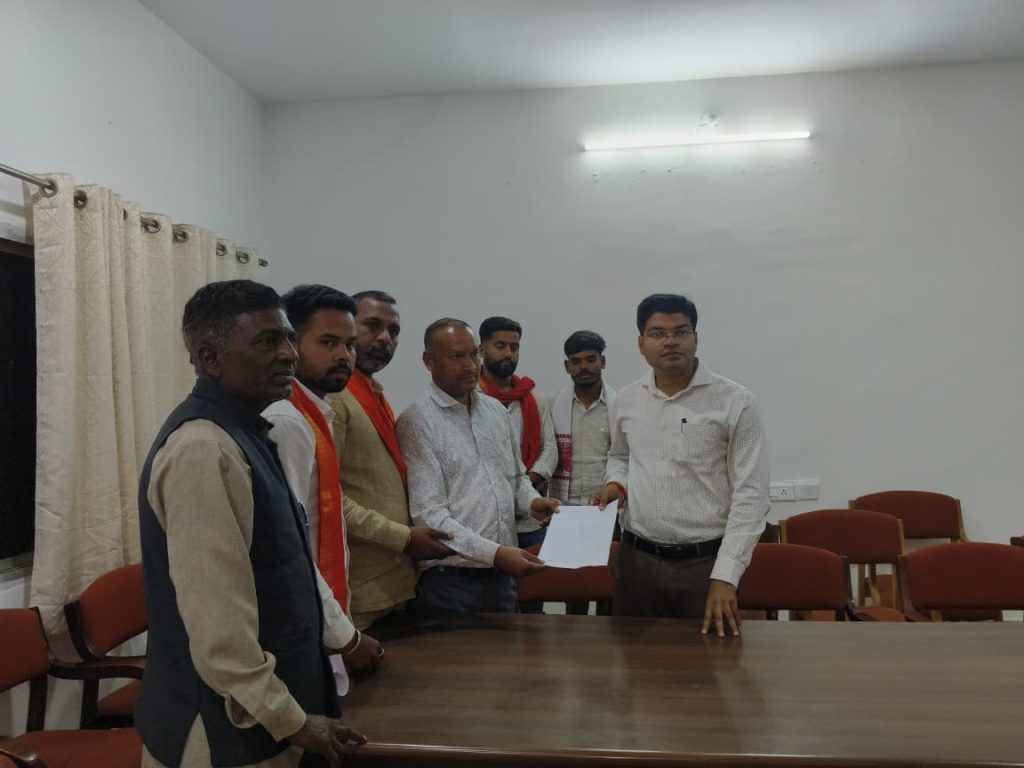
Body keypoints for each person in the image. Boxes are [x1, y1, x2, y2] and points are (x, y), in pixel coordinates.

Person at [136, 280, 365, 768]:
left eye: (288, 338)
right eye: (267, 341)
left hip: (266, 717)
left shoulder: (245, 432)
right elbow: (219, 628)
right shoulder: (204, 449)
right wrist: (291, 719)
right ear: (211, 359)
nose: (288, 354)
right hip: (226, 733)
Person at [593, 294, 769, 638]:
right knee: (635, 664)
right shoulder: (627, 399)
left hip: (704, 566)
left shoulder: (735, 401)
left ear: (695, 338)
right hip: (636, 562)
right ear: (641, 344)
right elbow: (620, 456)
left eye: (680, 331)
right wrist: (616, 485)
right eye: (658, 333)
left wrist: (726, 576)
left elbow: (752, 495)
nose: (670, 341)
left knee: (711, 666)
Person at [262, 285, 383, 687]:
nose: (344, 356)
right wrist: (344, 636)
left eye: (350, 345)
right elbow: (291, 545)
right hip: (297, 620)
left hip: (319, 610)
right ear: (291, 345)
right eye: (328, 343)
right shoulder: (287, 420)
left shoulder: (315, 411)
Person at [397, 318, 560, 614]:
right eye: (457, 357)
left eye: (474, 354)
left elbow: (515, 478)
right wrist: (495, 553)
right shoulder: (417, 420)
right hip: (450, 582)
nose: (471, 366)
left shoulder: (495, 411)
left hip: (501, 579)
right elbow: (430, 515)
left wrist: (532, 502)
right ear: (428, 361)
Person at [328, 290, 452, 630]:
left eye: (393, 331)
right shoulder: (335, 399)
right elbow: (329, 498)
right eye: (372, 326)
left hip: (397, 582)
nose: (384, 338)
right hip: (361, 591)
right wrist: (404, 538)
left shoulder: (373, 394)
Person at [477, 316, 557, 550]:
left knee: (538, 570)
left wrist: (525, 482)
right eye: (500, 346)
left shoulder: (533, 397)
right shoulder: (470, 397)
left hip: (531, 518)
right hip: (485, 518)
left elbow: (549, 447)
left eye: (514, 347)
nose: (508, 354)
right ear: (481, 350)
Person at [548, 330, 617, 506]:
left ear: (603, 362)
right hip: (562, 506)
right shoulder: (551, 406)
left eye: (590, 359)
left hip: (606, 505)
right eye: (576, 362)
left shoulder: (619, 407)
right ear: (567, 366)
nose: (584, 367)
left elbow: (623, 459)